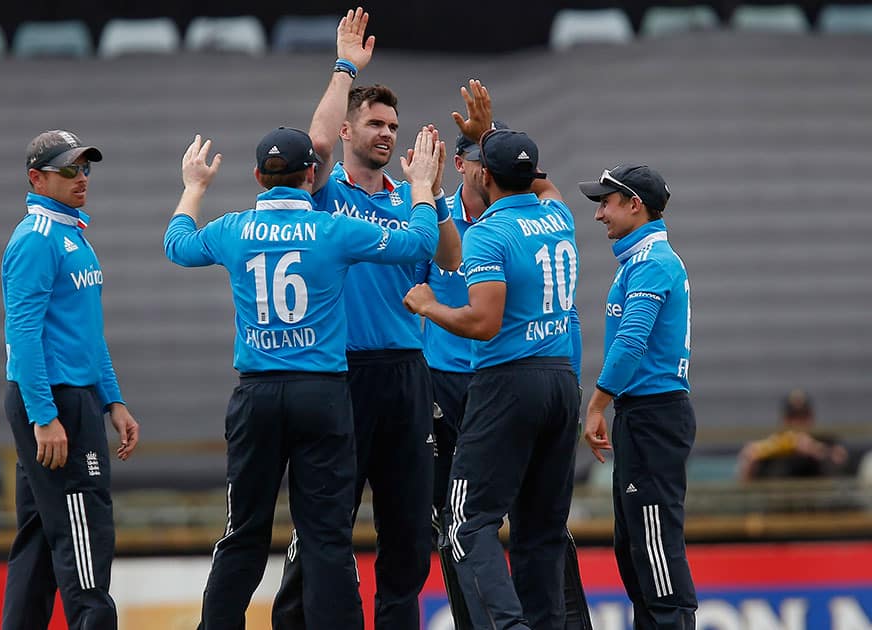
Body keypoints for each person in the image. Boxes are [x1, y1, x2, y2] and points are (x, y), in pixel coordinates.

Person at [162, 125, 443, 629]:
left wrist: (195, 186)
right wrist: (421, 186)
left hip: (257, 393)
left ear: (256, 177)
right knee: (325, 538)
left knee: (243, 533)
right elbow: (421, 241)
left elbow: (177, 244)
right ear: (311, 175)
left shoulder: (234, 228)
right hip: (323, 394)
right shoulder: (332, 228)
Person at [271, 8, 461, 630]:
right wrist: (345, 68)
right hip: (341, 373)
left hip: (409, 373)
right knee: (324, 527)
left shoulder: (413, 198)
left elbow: (451, 260)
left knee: (408, 536)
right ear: (351, 129)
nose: (386, 133)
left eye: (393, 125)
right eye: (374, 123)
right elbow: (317, 143)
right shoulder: (326, 192)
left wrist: (429, 191)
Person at [404, 80, 583, 630]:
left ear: (481, 174)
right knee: (541, 528)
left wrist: (430, 306)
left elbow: (483, 323)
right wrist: (490, 135)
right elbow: (541, 181)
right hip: (561, 381)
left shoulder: (488, 232)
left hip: (507, 381)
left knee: (463, 522)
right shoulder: (559, 214)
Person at [1, 130, 140, 630]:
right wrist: (44, 415)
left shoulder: (71, 233)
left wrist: (113, 401)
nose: (81, 178)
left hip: (74, 397)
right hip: (54, 402)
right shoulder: (37, 238)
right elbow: (23, 334)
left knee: (39, 540)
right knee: (86, 529)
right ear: (37, 178)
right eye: (69, 170)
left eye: (85, 168)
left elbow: (86, 332)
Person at [579, 163, 697, 629]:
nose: (599, 214)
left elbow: (632, 342)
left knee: (655, 546)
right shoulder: (640, 260)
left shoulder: (651, 262)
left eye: (606, 203)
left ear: (635, 205)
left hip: (654, 414)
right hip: (642, 413)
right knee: (635, 547)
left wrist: (596, 405)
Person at [738, 389, 849, 480]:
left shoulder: (825, 440)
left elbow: (841, 462)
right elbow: (747, 483)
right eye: (792, 417)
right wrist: (749, 465)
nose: (797, 423)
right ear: (783, 419)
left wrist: (815, 450)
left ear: (811, 418)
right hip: (779, 504)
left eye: (803, 417)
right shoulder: (771, 445)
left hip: (819, 504)